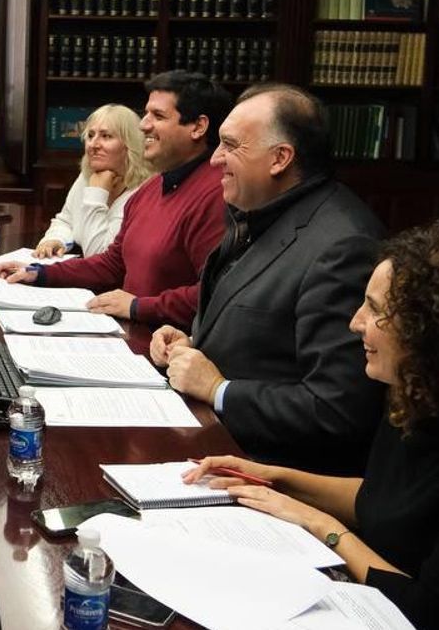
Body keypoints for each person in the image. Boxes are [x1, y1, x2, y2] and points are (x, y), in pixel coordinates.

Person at [184, 223, 439, 630]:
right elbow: (382, 498)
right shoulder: (418, 402)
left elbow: (433, 613)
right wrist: (273, 478)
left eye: (375, 309)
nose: (355, 323)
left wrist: (323, 526)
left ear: (431, 331)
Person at [151, 84, 383, 474]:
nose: (214, 160)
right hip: (214, 446)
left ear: (280, 158)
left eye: (229, 145)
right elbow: (268, 340)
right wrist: (191, 342)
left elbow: (337, 410)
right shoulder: (258, 211)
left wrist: (218, 390)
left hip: (273, 475)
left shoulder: (344, 247)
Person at [0, 71, 231, 327]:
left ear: (198, 127)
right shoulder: (153, 187)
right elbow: (113, 263)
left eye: (158, 116)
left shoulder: (218, 192)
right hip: (128, 332)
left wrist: (137, 306)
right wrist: (39, 273)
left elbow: (215, 293)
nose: (143, 125)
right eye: (146, 114)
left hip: (167, 349)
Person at [32, 103, 154, 258]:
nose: (93, 145)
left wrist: (97, 193)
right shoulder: (87, 176)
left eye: (106, 136)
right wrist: (55, 239)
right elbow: (66, 221)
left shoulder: (144, 191)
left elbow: (99, 256)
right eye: (90, 135)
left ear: (130, 145)